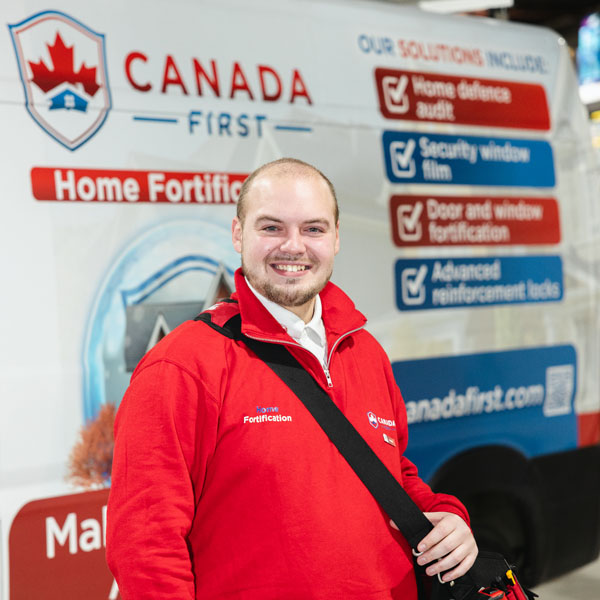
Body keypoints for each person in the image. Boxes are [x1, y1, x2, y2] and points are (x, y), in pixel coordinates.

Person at [106, 158, 478, 599]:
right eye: (272, 227)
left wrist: (447, 516)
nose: (294, 246)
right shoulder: (182, 365)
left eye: (313, 229)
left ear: (336, 238)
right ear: (238, 234)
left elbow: (395, 475)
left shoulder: (364, 351)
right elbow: (146, 546)